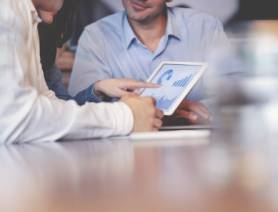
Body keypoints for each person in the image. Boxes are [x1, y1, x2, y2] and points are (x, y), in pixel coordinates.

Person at [0, 0, 163, 144]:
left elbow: (48, 102)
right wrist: (127, 116)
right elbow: (17, 118)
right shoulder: (9, 8)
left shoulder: (27, 15)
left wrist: (97, 89)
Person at [69, 0, 227, 125]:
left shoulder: (205, 28)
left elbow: (234, 93)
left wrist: (200, 108)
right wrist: (100, 90)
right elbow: (79, 108)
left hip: (197, 146)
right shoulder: (95, 36)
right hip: (125, 149)